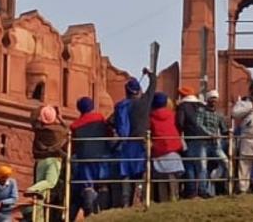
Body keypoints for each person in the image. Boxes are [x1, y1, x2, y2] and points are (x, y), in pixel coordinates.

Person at [108, 68, 157, 207]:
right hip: (140, 142)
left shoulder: (120, 107)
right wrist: (149, 74)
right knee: (141, 171)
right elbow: (153, 86)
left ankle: (125, 203)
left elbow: (111, 122)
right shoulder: (143, 103)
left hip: (125, 144)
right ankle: (140, 199)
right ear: (138, 91)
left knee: (126, 174)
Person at [69, 97, 110, 218]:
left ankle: (89, 214)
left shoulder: (75, 125)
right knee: (103, 185)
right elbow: (107, 134)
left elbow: (74, 146)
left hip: (85, 159)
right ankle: (103, 212)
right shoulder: (100, 118)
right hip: (102, 157)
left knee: (88, 186)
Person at [27, 104, 68, 222]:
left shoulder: (39, 130)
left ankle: (38, 219)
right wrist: (60, 118)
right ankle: (32, 189)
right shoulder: (59, 131)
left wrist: (41, 113)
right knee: (50, 182)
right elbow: (68, 131)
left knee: (41, 195)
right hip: (54, 161)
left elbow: (34, 122)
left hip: (40, 162)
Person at [148, 91, 185, 203]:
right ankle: (174, 197)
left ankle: (162, 200)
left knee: (160, 180)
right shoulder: (172, 115)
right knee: (173, 178)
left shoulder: (150, 117)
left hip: (158, 151)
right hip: (173, 149)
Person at [174, 86, 207, 198]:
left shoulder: (183, 106)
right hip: (203, 138)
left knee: (189, 165)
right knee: (202, 165)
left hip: (190, 137)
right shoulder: (202, 106)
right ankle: (202, 189)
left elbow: (180, 122)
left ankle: (191, 190)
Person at [197, 90, 229, 196]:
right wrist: (210, 134)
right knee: (203, 167)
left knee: (226, 163)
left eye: (215, 99)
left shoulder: (218, 115)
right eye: (212, 99)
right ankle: (203, 191)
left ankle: (223, 184)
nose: (214, 101)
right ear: (208, 100)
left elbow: (223, 129)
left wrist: (229, 133)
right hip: (203, 143)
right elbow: (199, 125)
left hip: (216, 144)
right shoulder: (201, 112)